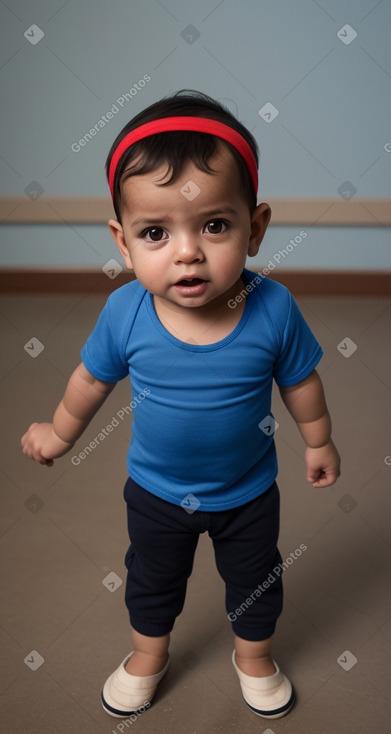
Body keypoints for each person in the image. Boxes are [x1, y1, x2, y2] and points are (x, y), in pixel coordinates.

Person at [21, 90, 341, 720]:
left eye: (214, 225)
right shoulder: (126, 314)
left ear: (257, 227)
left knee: (256, 584)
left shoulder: (272, 308)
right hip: (157, 492)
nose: (187, 251)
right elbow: (90, 382)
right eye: (156, 232)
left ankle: (253, 658)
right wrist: (59, 434)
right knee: (151, 581)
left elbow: (301, 381)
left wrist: (318, 439)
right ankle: (148, 654)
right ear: (122, 241)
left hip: (248, 492)